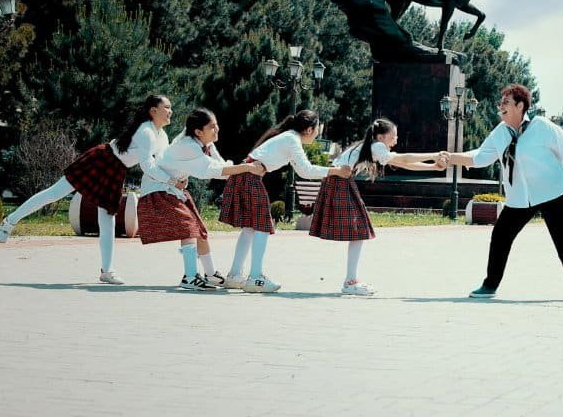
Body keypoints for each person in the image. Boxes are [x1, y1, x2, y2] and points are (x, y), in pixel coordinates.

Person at [440, 84, 563, 302]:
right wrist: (451, 157)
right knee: (501, 236)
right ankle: (489, 285)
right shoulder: (500, 132)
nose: (500, 107)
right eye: (500, 103)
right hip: (520, 196)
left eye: (506, 102)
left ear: (520, 105)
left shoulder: (541, 126)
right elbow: (480, 157)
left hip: (553, 191)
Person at [0, 95, 174, 284]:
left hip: (116, 170)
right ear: (153, 110)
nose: (170, 111)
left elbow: (164, 162)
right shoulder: (146, 131)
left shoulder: (162, 136)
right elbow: (148, 166)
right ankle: (9, 222)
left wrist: (178, 176)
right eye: (167, 107)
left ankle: (107, 271)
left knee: (108, 218)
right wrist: (170, 180)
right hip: (102, 159)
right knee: (55, 193)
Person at [219, 110, 355, 293]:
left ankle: (235, 276)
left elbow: (304, 172)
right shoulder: (292, 139)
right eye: (317, 130)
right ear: (308, 129)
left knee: (251, 227)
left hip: (245, 175)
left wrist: (334, 171)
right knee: (262, 226)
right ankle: (255, 277)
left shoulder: (289, 138)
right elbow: (306, 170)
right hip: (249, 176)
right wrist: (336, 171)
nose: (317, 134)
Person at [308, 118, 444, 295]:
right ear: (381, 137)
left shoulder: (371, 146)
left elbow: (402, 162)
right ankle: (350, 281)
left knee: (360, 231)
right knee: (360, 230)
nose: (396, 140)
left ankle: (351, 280)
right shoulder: (376, 146)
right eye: (393, 136)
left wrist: (433, 166)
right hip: (339, 182)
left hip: (339, 182)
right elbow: (404, 158)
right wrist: (433, 156)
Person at [138, 108, 265, 290]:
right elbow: (212, 171)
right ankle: (190, 277)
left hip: (173, 190)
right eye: (212, 127)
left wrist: (243, 167)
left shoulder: (205, 143)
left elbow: (220, 167)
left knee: (199, 230)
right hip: (157, 190)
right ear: (198, 132)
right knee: (188, 228)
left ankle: (211, 275)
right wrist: (247, 168)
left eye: (216, 125)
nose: (217, 130)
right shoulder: (188, 146)